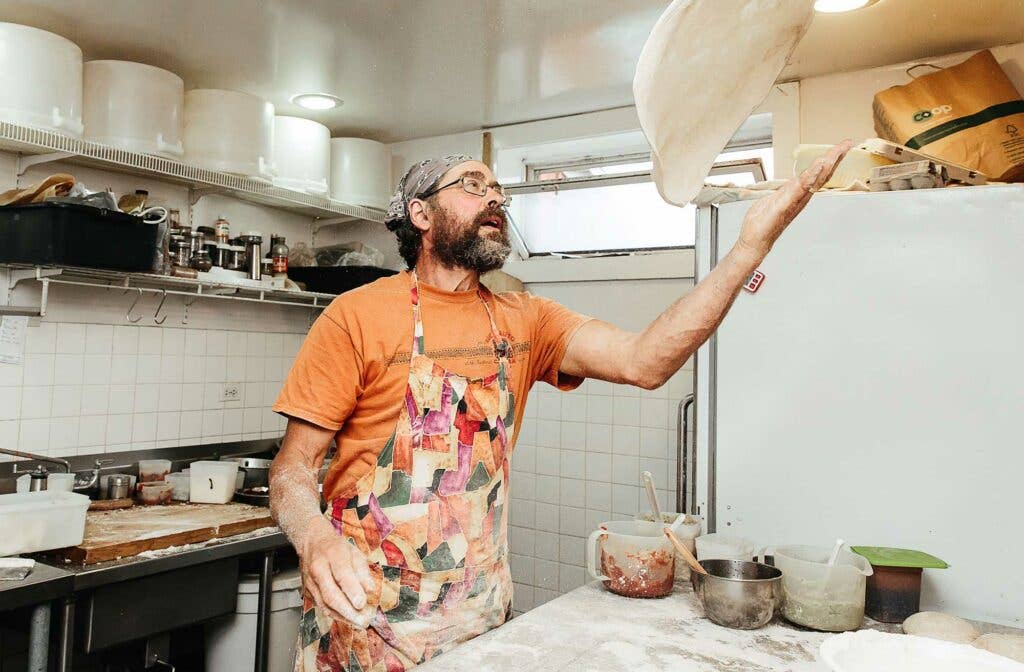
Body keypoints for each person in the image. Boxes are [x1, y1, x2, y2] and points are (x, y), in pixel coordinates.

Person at [270, 141, 852, 671]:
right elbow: (291, 473)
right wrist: (316, 538)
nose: (494, 197)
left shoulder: (527, 320)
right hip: (367, 627)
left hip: (480, 629)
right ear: (422, 215)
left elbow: (646, 360)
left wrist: (748, 247)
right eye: (473, 185)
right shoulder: (355, 317)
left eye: (499, 189)